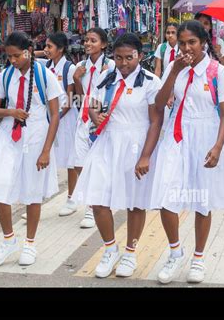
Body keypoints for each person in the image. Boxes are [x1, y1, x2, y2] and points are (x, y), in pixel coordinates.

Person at [72, 33, 162, 278]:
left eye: (129, 58)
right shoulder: (106, 77)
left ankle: (130, 253)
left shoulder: (151, 82)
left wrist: (146, 156)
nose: (124, 63)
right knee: (98, 198)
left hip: (136, 144)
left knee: (135, 202)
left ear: (140, 56)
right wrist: (94, 115)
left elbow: (156, 121)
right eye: (119, 58)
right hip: (107, 142)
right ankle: (110, 248)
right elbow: (93, 103)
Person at [151, 20, 224, 284]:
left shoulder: (216, 71)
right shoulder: (177, 68)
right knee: (165, 195)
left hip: (205, 137)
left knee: (202, 200)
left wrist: (219, 146)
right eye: (182, 42)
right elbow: (159, 103)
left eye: (192, 42)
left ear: (203, 43)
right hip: (176, 137)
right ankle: (175, 252)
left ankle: (198, 259)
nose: (186, 48)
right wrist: (174, 71)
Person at [0, 31, 63, 267]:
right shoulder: (6, 76)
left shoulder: (45, 75)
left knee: (32, 190)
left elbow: (55, 114)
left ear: (28, 51)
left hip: (36, 136)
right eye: (9, 57)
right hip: (8, 135)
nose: (13, 61)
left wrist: (46, 150)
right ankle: (8, 240)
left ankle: (30, 243)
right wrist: (11, 112)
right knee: (0, 185)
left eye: (16, 56)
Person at [72, 28, 115, 229]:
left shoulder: (111, 66)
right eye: (86, 40)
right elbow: (78, 98)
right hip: (83, 118)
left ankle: (94, 206)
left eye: (93, 40)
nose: (88, 44)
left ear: (103, 44)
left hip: (101, 119)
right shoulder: (80, 66)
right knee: (80, 162)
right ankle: (91, 202)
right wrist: (76, 80)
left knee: (98, 162)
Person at [42, 32, 79, 217]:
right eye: (45, 46)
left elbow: (71, 97)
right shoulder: (47, 67)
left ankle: (71, 199)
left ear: (61, 49)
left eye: (49, 46)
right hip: (52, 119)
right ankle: (38, 199)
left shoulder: (69, 68)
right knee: (47, 157)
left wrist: (57, 116)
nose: (46, 50)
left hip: (66, 119)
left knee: (71, 161)